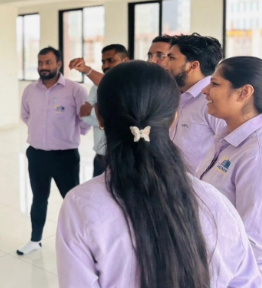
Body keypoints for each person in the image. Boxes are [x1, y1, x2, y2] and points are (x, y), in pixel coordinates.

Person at [56, 61, 262, 288]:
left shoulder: (81, 205)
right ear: (174, 118)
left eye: (214, 83)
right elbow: (246, 282)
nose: (207, 90)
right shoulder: (216, 203)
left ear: (99, 117)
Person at [17, 47, 90, 256]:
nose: (43, 67)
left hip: (65, 156)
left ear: (58, 64)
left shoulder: (75, 90)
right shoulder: (30, 90)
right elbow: (26, 115)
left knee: (71, 200)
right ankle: (35, 240)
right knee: (39, 198)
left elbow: (85, 119)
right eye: (40, 63)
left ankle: (79, 245)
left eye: (48, 62)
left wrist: (69, 134)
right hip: (37, 154)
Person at [199, 56, 262, 272]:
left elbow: (254, 242)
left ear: (244, 92)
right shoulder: (227, 138)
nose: (205, 90)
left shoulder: (256, 152)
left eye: (215, 84)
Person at [166, 33, 225, 174]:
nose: (165, 64)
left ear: (193, 66)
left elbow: (225, 153)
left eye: (171, 58)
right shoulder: (174, 96)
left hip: (197, 185)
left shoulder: (213, 100)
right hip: (171, 182)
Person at [79, 44, 129, 177]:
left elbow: (125, 120)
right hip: (101, 156)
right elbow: (84, 115)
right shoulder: (96, 87)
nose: (105, 65)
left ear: (125, 60)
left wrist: (93, 111)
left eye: (111, 60)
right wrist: (106, 116)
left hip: (124, 157)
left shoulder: (132, 86)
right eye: (103, 62)